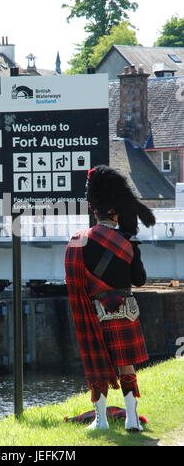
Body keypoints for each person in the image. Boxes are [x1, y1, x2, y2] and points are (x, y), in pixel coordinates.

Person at [65, 165, 156, 432]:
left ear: (94, 210)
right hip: (125, 311)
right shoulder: (128, 244)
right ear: (116, 213)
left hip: (95, 312)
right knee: (125, 365)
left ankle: (101, 421)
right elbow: (140, 280)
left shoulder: (80, 241)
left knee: (98, 364)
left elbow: (74, 279)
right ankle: (131, 420)